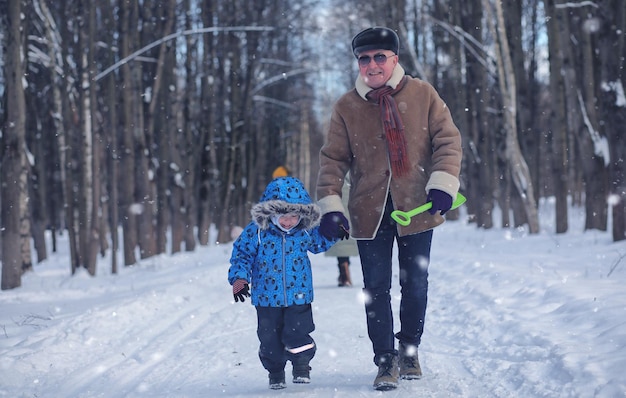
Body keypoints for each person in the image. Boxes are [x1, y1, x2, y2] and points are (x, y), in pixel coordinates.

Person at [316, 27, 462, 391]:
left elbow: (448, 139)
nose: (371, 64)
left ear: (395, 59)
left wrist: (443, 182)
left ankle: (409, 350)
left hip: (418, 208)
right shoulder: (347, 106)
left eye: (379, 56)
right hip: (369, 212)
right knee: (375, 288)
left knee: (415, 285)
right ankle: (385, 360)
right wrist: (331, 206)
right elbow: (332, 160)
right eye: (364, 59)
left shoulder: (423, 94)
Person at [228, 176, 339, 390]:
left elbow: (319, 243)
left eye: (294, 216)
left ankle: (301, 364)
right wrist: (239, 279)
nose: (288, 221)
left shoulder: (304, 231)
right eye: (282, 216)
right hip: (266, 298)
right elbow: (242, 255)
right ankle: (275, 371)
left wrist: (333, 230)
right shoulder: (257, 232)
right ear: (271, 213)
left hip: (299, 294)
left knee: (297, 333)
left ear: (301, 215)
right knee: (269, 340)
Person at [324, 174, 358, 287]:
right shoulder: (353, 175)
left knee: (340, 244)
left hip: (336, 212)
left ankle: (343, 270)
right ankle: (346, 269)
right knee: (347, 243)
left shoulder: (332, 175)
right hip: (352, 213)